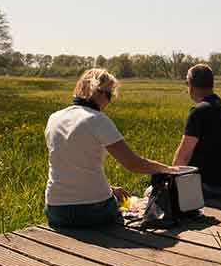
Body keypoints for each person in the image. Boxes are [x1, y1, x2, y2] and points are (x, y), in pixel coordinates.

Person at [44, 68, 177, 227]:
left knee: (116, 197)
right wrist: (166, 169)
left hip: (55, 210)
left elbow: (72, 167)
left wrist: (110, 188)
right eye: (109, 95)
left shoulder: (54, 118)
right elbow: (133, 163)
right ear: (98, 92)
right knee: (134, 204)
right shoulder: (97, 119)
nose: (108, 101)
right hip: (93, 211)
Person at [168, 63, 221, 198]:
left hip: (208, 185)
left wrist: (170, 182)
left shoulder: (199, 111)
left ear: (191, 85)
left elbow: (183, 156)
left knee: (151, 191)